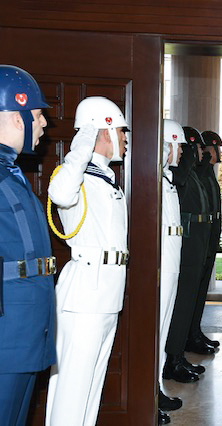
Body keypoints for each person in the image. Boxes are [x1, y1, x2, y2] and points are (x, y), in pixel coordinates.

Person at [46, 96, 130, 426]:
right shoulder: (75, 175)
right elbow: (60, 194)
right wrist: (81, 147)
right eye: (121, 130)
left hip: (107, 293)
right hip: (84, 296)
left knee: (92, 386)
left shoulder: (106, 179)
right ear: (104, 131)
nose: (125, 138)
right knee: (73, 386)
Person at [0, 65, 55, 426]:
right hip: (7, 336)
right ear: (15, 115)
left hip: (23, 332)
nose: (44, 123)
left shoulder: (11, 172)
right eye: (37, 114)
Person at [163, 127, 211, 383]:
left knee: (186, 304)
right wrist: (191, 155)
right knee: (179, 306)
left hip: (195, 244)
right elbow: (180, 178)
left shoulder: (191, 174)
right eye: (193, 148)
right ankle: (172, 359)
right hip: (184, 247)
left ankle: (177, 355)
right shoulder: (175, 174)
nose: (196, 153)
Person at [157, 119, 187, 424]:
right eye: (178, 146)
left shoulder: (167, 180)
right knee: (157, 329)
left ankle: (157, 388)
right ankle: (152, 391)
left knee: (164, 328)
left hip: (172, 262)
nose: (181, 152)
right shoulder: (156, 180)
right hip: (162, 264)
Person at [185, 130, 222, 353]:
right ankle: (191, 335)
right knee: (194, 292)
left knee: (200, 293)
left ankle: (195, 331)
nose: (219, 153)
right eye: (215, 148)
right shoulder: (200, 172)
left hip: (209, 237)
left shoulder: (208, 172)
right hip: (202, 240)